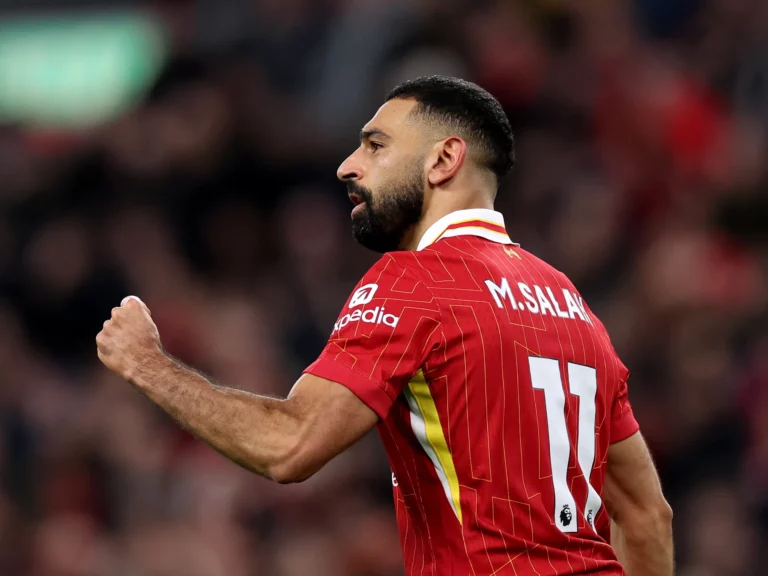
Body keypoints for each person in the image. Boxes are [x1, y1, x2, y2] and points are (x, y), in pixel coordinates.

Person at [96, 76, 674, 576]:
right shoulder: (572, 306)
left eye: (376, 145)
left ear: (444, 160)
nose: (348, 165)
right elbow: (648, 516)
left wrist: (146, 364)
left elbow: (289, 446)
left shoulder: (415, 280)